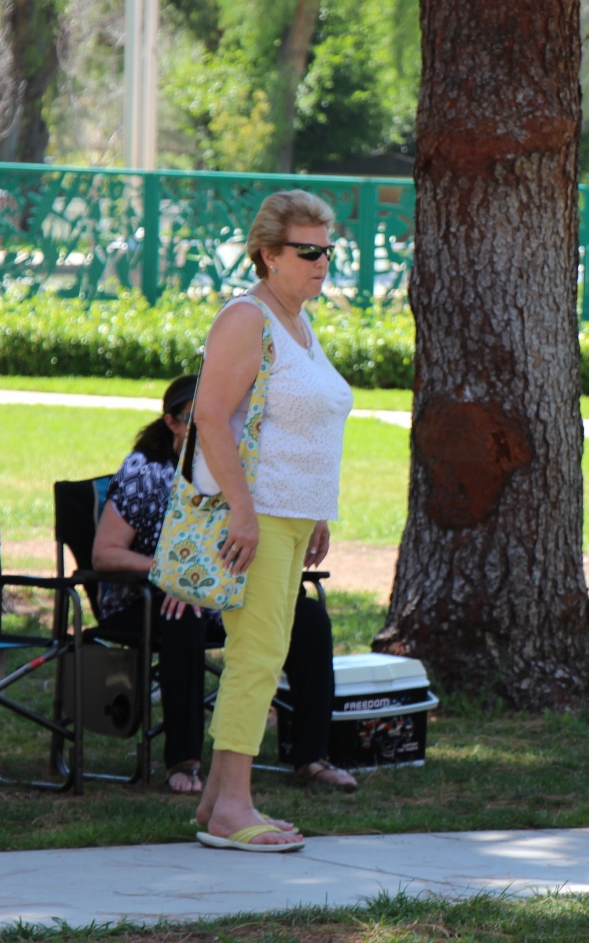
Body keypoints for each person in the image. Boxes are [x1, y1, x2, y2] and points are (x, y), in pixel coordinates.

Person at [91, 376, 357, 796]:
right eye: (195, 419)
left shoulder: (243, 473)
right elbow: (105, 553)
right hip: (146, 598)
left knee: (308, 617)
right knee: (184, 614)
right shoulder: (146, 472)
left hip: (223, 592)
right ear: (172, 423)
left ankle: (311, 757)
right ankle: (184, 760)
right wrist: (175, 578)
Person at [189, 189, 354, 853]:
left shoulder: (300, 323)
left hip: (289, 517)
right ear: (266, 254)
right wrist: (244, 512)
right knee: (255, 660)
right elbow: (209, 417)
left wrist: (316, 510)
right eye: (307, 252)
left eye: (328, 251)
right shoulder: (246, 318)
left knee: (267, 655)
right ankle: (232, 806)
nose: (322, 264)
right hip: (252, 518)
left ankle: (214, 803)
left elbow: (300, 429)